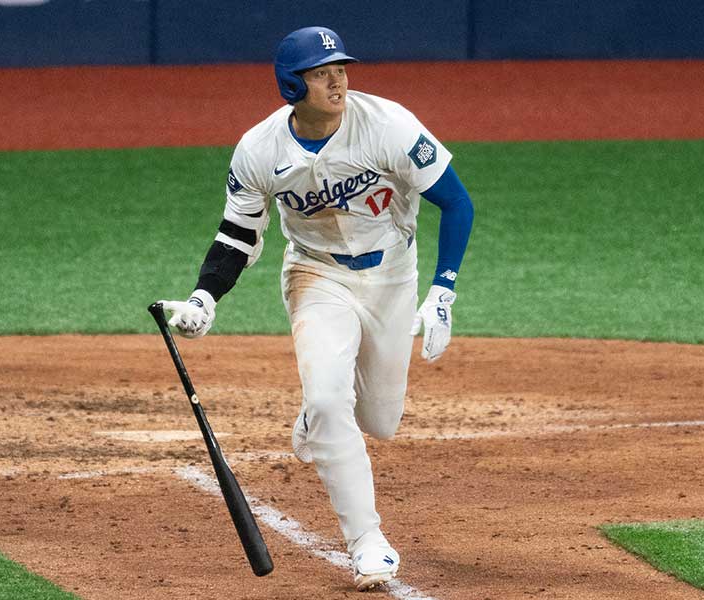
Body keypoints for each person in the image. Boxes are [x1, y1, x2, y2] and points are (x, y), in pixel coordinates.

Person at [160, 26, 474, 591]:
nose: (339, 82)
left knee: (380, 421)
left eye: (341, 70)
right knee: (332, 398)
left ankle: (315, 417)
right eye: (322, 74)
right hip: (315, 273)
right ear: (291, 86)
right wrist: (206, 296)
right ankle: (366, 541)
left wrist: (443, 290)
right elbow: (237, 235)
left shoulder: (388, 125)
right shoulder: (259, 149)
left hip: (393, 276)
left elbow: (456, 201)